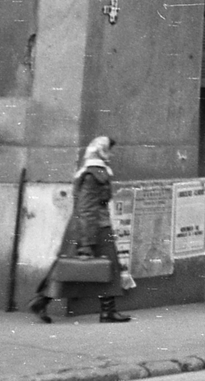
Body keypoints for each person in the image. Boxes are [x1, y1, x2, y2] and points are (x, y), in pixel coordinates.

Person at [28, 135, 133, 324]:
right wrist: (87, 242)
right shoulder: (95, 174)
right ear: (102, 151)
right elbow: (87, 208)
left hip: (86, 226)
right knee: (92, 268)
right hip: (93, 228)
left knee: (78, 268)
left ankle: (42, 301)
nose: (111, 154)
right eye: (109, 149)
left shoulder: (90, 171)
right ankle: (105, 311)